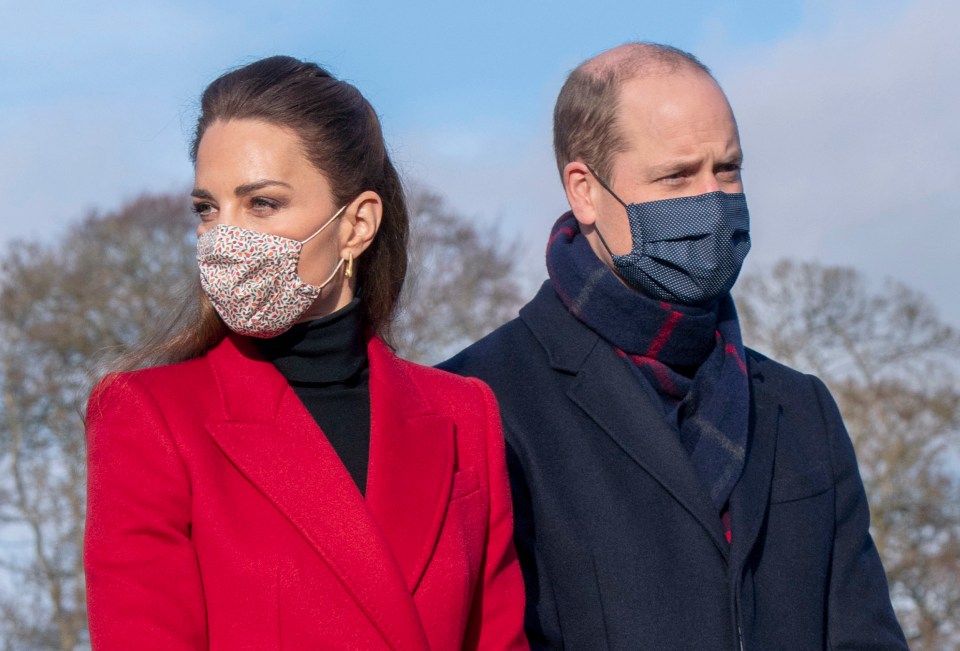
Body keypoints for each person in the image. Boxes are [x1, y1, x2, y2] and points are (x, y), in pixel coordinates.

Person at [441, 43, 907, 649]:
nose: (712, 201)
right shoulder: (477, 405)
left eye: (728, 169)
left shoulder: (801, 411)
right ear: (584, 190)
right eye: (677, 176)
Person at [84, 56, 528, 650]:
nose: (223, 237)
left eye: (261, 203)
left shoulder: (463, 415)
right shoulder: (149, 417)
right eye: (207, 208)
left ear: (358, 224)